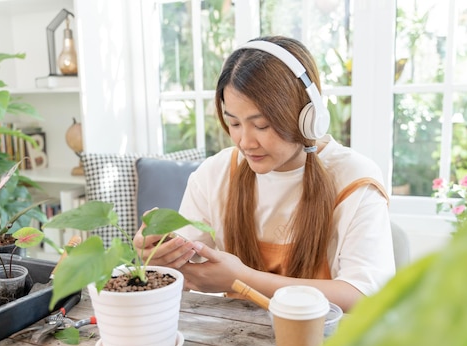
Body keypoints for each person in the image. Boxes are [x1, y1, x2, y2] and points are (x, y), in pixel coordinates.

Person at [133, 35, 395, 312]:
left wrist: (244, 279)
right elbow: (188, 272)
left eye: (261, 125)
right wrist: (159, 258)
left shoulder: (353, 179)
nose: (245, 142)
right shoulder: (215, 174)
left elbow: (364, 296)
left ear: (308, 117)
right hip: (235, 341)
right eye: (234, 122)